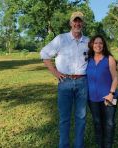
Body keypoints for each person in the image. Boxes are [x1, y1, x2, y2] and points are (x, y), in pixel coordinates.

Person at [40, 11, 89, 148]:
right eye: (75, 21)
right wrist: (55, 72)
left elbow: (97, 58)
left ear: (83, 24)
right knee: (64, 118)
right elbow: (44, 53)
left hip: (82, 83)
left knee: (81, 117)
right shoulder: (61, 39)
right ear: (70, 23)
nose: (77, 23)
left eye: (79, 21)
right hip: (65, 82)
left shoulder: (88, 41)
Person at [86, 35, 118, 148]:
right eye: (95, 43)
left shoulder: (109, 58)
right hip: (92, 98)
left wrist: (111, 94)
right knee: (97, 122)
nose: (98, 45)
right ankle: (100, 145)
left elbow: (115, 78)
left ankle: (108, 145)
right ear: (92, 45)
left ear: (103, 45)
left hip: (108, 96)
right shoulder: (88, 59)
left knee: (109, 123)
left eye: (100, 43)